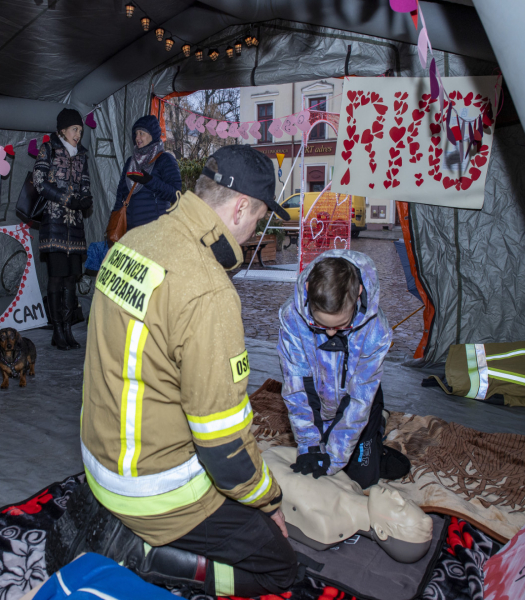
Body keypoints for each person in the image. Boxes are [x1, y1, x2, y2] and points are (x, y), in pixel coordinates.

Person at [77, 145, 298, 597]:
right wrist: (269, 501)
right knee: (281, 569)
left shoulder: (136, 241)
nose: (255, 232)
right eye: (257, 219)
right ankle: (158, 560)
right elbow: (224, 448)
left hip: (99, 462)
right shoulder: (207, 291)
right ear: (239, 208)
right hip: (154, 490)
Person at [277, 250, 408, 490]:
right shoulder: (291, 317)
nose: (329, 333)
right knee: (312, 468)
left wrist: (334, 458)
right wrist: (310, 446)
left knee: (361, 480)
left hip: (357, 401)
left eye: (341, 325)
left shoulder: (377, 330)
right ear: (307, 289)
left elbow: (359, 399)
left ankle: (378, 425)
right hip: (318, 396)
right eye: (319, 324)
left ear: (358, 293)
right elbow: (297, 387)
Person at [33, 108, 92, 352]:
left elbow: (85, 182)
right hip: (54, 224)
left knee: (71, 278)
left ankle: (67, 329)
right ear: (62, 130)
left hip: (75, 227)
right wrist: (66, 199)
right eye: (74, 129)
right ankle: (57, 330)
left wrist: (86, 199)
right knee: (56, 278)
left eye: (80, 130)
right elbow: (39, 182)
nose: (78, 134)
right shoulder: (48, 149)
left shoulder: (82, 155)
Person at [111, 115, 181, 231]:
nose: (137, 137)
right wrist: (114, 223)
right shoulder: (130, 161)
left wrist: (151, 181)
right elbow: (120, 195)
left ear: (152, 135)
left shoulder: (165, 159)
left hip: (153, 232)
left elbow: (176, 195)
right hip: (129, 232)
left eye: (141, 133)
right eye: (136, 134)